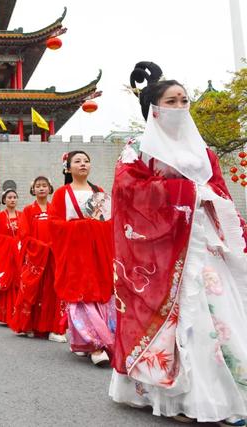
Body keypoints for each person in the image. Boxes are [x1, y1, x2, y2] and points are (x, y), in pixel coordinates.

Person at [109, 62, 247, 426]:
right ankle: (177, 398)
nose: (181, 105)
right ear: (155, 109)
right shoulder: (137, 149)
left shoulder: (204, 151)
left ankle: (220, 398)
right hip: (164, 253)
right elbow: (127, 193)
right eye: (172, 100)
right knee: (183, 321)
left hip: (203, 244)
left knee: (216, 319)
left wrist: (214, 205)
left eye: (185, 99)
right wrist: (184, 192)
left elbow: (219, 189)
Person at [48, 150, 115, 367]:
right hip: (75, 252)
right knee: (82, 294)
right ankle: (96, 344)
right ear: (68, 168)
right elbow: (55, 225)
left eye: (86, 161)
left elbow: (109, 223)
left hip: (98, 251)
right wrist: (83, 226)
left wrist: (96, 228)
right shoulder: (61, 194)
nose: (83, 164)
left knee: (100, 294)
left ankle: (83, 340)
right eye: (77, 161)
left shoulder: (100, 191)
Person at [9, 177, 67, 343]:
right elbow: (24, 236)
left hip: (54, 257)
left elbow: (61, 231)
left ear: (50, 189)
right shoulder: (28, 211)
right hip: (36, 257)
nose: (41, 189)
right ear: (33, 190)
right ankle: (30, 325)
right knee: (31, 290)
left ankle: (53, 328)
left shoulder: (56, 209)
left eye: (44, 186)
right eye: (38, 186)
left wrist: (54, 246)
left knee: (52, 292)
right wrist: (42, 246)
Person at [0, 189, 23, 324]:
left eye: (14, 197)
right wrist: (9, 242)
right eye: (9, 197)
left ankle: (18, 314)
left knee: (19, 282)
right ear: (4, 200)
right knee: (7, 283)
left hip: (20, 253)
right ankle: (6, 315)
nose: (12, 200)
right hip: (5, 255)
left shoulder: (22, 215)